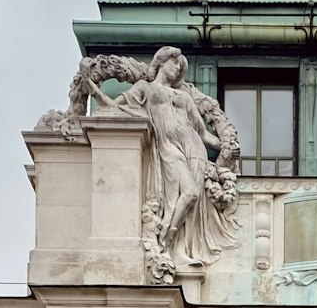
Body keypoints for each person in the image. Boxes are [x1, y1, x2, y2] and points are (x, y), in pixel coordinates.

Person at [92, 46, 233, 264]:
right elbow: (114, 106)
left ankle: (180, 251)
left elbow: (203, 133)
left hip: (194, 150)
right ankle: (166, 242)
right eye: (175, 62)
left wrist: (226, 145)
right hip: (167, 147)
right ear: (161, 61)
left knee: (192, 202)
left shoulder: (184, 97)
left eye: (181, 66)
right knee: (190, 193)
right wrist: (97, 94)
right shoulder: (145, 88)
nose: (178, 68)